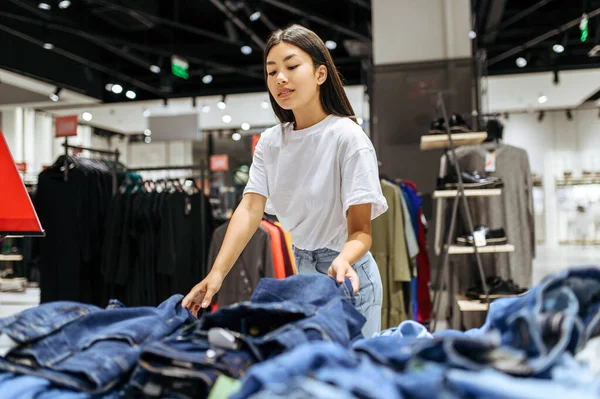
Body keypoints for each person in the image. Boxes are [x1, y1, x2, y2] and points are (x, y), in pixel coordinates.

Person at [182, 24, 387, 337]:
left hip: (349, 277)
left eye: (292, 66)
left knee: (353, 378)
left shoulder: (347, 137)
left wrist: (344, 260)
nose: (280, 78)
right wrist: (216, 274)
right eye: (271, 71)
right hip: (302, 272)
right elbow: (250, 209)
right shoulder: (270, 142)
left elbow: (360, 231)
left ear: (320, 74)